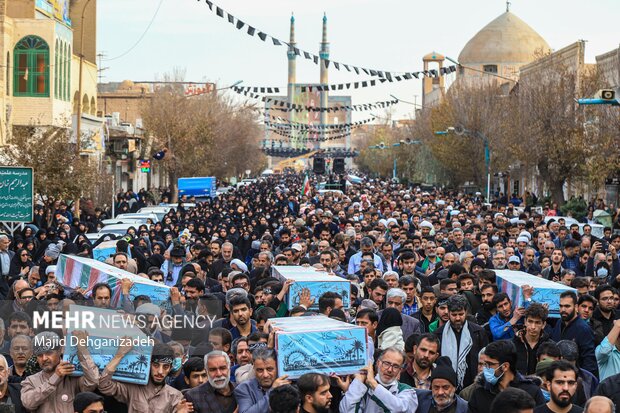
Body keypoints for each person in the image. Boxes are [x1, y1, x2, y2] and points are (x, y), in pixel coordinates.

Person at [21, 331, 99, 413]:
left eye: (49, 353)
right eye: (39, 355)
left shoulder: (74, 374)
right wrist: (55, 377)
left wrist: (82, 349)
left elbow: (93, 382)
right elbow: (28, 403)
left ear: (60, 351)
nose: (44, 358)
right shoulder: (30, 380)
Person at [99, 341, 186, 412]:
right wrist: (119, 355)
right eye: (156, 365)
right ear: (149, 364)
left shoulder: (175, 396)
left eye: (165, 367)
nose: (160, 372)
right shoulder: (133, 388)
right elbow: (104, 385)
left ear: (170, 368)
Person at [468, 340, 545, 413]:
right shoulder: (480, 392)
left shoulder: (532, 392)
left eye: (490, 364)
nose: (485, 368)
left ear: (505, 366)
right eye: (485, 364)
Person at [339, 346, 418, 413]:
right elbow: (345, 410)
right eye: (386, 363)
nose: (390, 370)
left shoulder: (407, 391)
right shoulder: (362, 388)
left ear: (400, 370)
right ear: (378, 363)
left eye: (395, 366)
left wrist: (373, 384)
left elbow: (399, 409)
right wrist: (359, 380)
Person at [436, 294, 488, 390]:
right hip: (447, 384)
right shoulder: (439, 334)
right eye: (454, 315)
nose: (458, 318)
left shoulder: (478, 332)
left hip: (472, 385)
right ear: (449, 313)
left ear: (466, 312)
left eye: (461, 314)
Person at [551, 291, 598, 376]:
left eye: (567, 306)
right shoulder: (559, 323)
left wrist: (583, 382)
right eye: (561, 306)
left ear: (576, 307)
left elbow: (589, 360)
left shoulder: (583, 329)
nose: (563, 310)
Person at [234, 348, 290, 413]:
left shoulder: (286, 385)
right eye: (260, 370)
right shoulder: (244, 388)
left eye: (269, 369)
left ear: (277, 367)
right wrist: (272, 390)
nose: (265, 375)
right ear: (254, 369)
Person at [514, 303, 553, 375]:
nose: (533, 327)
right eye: (530, 321)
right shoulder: (512, 345)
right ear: (525, 322)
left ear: (543, 324)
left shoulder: (550, 346)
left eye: (537, 323)